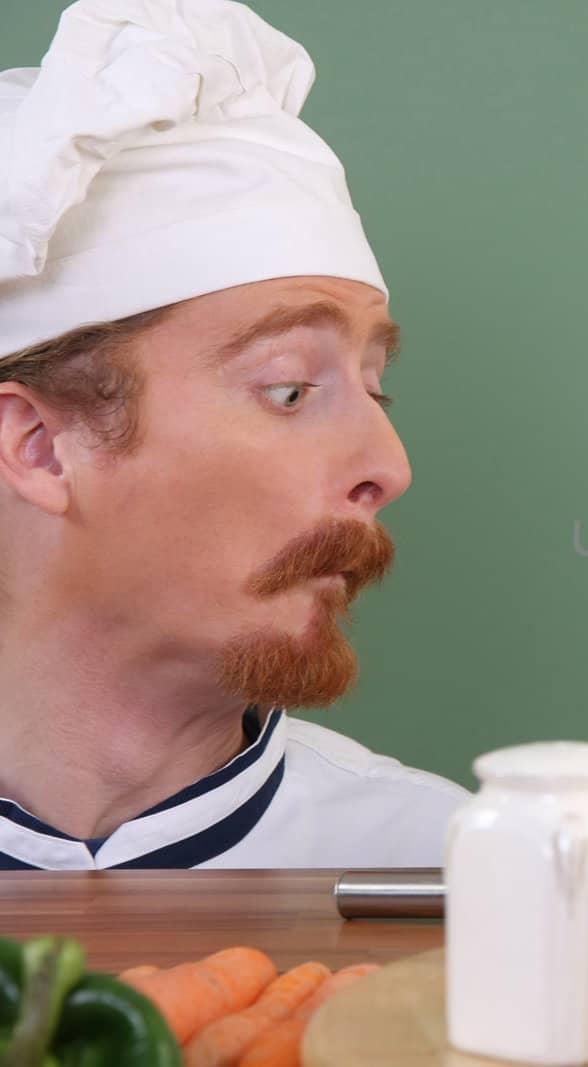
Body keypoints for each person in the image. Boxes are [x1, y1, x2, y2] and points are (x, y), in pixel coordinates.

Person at [0, 0, 469, 869]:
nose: (389, 469)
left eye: (377, 389)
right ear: (37, 446)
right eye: (291, 389)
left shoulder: (450, 868)